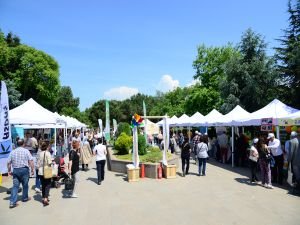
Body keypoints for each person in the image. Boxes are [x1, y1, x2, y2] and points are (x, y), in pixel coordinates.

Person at [7, 139, 34, 208]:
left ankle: (12, 202)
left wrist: (9, 170)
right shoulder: (26, 151)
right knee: (25, 185)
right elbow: (31, 161)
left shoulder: (12, 152)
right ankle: (24, 198)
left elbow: (8, 163)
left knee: (15, 186)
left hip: (15, 170)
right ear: (23, 144)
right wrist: (32, 170)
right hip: (24, 170)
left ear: (17, 144)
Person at [37, 141, 52, 206]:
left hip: (40, 171)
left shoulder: (39, 153)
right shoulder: (48, 153)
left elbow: (38, 163)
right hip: (47, 170)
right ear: (47, 147)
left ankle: (43, 197)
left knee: (43, 185)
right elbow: (49, 162)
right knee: (48, 184)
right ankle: (46, 198)